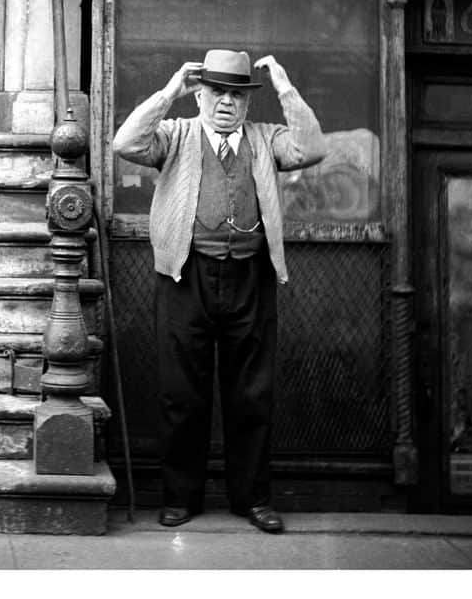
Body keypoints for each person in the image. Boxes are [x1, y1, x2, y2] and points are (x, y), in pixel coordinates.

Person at [112, 49, 326, 534]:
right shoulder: (176, 134)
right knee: (181, 394)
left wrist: (286, 88)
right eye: (217, 93)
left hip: (251, 278)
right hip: (185, 277)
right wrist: (170, 92)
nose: (226, 103)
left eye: (236, 94)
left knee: (251, 394)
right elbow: (126, 143)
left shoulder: (264, 137)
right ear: (201, 94)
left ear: (247, 103)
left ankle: (252, 499)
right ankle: (179, 497)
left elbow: (311, 149)